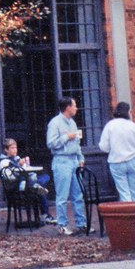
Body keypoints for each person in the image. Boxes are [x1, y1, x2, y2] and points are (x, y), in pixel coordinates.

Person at [46, 96, 88, 235]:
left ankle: (81, 224)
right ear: (68, 107)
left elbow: (77, 143)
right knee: (62, 196)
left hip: (74, 161)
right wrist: (66, 137)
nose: (76, 108)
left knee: (78, 195)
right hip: (62, 161)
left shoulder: (72, 123)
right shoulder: (55, 123)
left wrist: (80, 158)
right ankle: (62, 225)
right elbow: (51, 143)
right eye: (74, 105)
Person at [0, 137, 57, 224]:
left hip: (25, 184)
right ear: (6, 150)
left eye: (16, 148)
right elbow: (10, 178)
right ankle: (44, 214)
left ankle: (37, 187)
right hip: (17, 188)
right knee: (41, 185)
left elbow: (26, 169)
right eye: (12, 148)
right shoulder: (4, 162)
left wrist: (24, 164)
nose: (15, 150)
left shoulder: (16, 158)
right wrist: (18, 167)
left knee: (45, 177)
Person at [98, 102, 135, 202]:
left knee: (124, 193)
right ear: (128, 112)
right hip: (133, 160)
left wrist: (112, 150)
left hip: (116, 161)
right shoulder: (133, 126)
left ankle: (127, 215)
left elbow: (103, 147)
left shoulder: (110, 126)